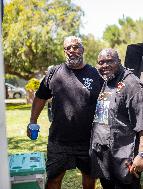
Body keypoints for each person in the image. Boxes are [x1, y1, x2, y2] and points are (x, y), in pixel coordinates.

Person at [27, 36, 103, 189]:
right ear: (64, 51)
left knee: (89, 179)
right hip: (59, 141)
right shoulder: (54, 73)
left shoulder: (96, 74)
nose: (72, 51)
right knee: (54, 179)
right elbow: (40, 97)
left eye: (75, 47)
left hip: (87, 141)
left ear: (82, 49)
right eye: (68, 48)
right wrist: (32, 121)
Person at [90, 48, 143, 189]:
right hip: (104, 153)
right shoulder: (108, 80)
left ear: (119, 62)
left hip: (124, 155)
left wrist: (142, 154)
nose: (105, 65)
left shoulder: (132, 85)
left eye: (109, 61)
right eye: (101, 62)